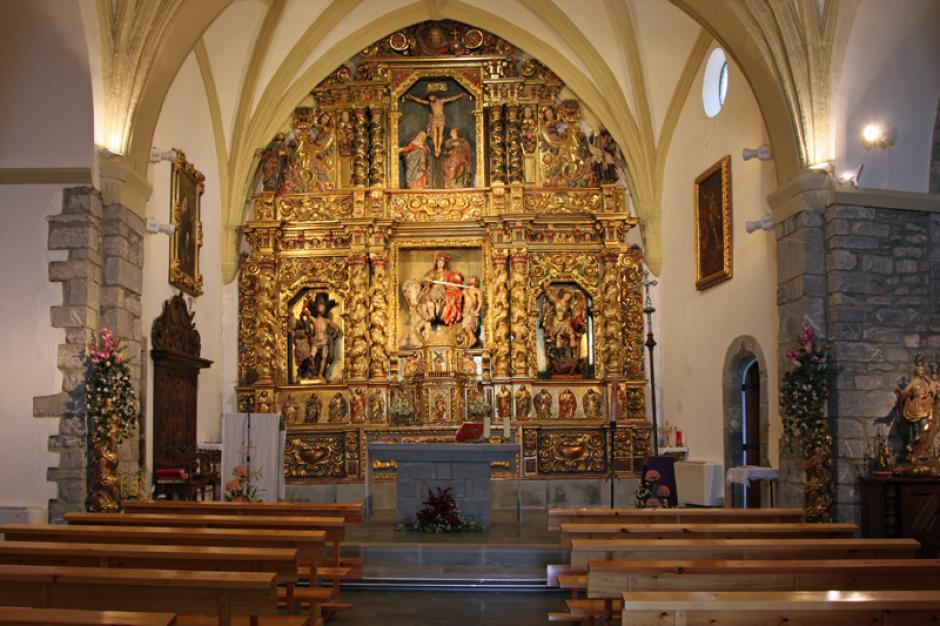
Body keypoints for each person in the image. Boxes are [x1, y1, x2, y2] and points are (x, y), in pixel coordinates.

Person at [405, 91, 467, 157]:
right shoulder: (429, 103)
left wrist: (460, 95)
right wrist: (411, 97)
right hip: (434, 119)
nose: (431, 99)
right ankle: (435, 148)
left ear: (435, 96)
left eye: (431, 97)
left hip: (441, 119)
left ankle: (439, 148)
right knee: (435, 134)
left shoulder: (441, 101)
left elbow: (451, 98)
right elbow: (420, 101)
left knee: (440, 134)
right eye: (429, 98)